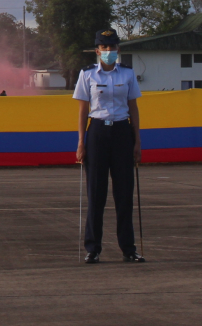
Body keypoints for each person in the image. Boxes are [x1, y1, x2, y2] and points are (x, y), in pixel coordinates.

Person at [74, 28, 144, 264]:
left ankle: (128, 248)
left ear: (118, 49)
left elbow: (133, 108)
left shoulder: (127, 74)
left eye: (112, 47)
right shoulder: (87, 75)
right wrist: (81, 142)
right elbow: (83, 111)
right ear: (97, 51)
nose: (108, 51)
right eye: (104, 48)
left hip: (123, 132)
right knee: (96, 193)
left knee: (124, 193)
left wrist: (137, 141)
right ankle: (92, 248)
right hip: (97, 133)